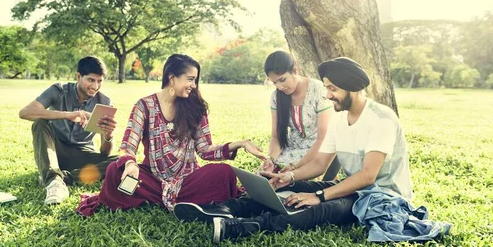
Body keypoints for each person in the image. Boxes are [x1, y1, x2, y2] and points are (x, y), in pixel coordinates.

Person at [174, 57, 438, 243]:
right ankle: (224, 209)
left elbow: (368, 176)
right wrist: (287, 178)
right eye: (326, 87)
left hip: (382, 198)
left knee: (319, 209)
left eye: (332, 89)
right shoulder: (339, 120)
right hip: (354, 188)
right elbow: (320, 165)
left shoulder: (381, 120)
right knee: (289, 191)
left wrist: (320, 196)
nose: (327, 95)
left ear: (353, 89)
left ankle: (242, 227)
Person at [76, 54, 267, 216]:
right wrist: (131, 164)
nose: (194, 85)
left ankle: (177, 200)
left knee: (224, 173)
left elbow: (205, 150)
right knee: (114, 172)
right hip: (152, 178)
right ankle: (186, 202)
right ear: (172, 78)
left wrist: (240, 144)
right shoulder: (144, 106)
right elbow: (128, 145)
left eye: (195, 80)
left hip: (188, 179)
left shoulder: (196, 107)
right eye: (190, 79)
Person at [19, 56, 118, 205]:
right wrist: (68, 115)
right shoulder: (58, 90)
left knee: (120, 162)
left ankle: (63, 178)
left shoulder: (105, 102)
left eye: (99, 81)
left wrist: (109, 135)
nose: (95, 86)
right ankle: (53, 182)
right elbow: (25, 112)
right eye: (90, 80)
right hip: (54, 150)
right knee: (39, 123)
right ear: (78, 76)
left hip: (82, 155)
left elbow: (105, 153)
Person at [259, 51, 340, 180]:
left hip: (317, 151)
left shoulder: (318, 90)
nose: (280, 87)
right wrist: (271, 159)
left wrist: (296, 166)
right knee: (264, 178)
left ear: (295, 70)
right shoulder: (276, 96)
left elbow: (322, 139)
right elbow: (276, 136)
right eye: (274, 83)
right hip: (291, 149)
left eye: (282, 80)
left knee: (288, 181)